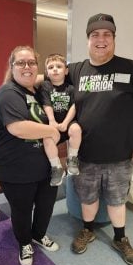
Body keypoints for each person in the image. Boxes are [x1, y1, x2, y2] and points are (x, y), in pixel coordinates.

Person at [66, 13, 133, 265]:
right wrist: (16, 80)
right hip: (86, 155)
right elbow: (45, 79)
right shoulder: (76, 70)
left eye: (107, 34)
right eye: (95, 34)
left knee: (117, 200)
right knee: (87, 198)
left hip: (120, 155)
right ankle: (87, 230)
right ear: (88, 39)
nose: (101, 39)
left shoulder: (131, 68)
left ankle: (120, 238)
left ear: (114, 39)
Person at [0, 46, 61, 265]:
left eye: (31, 62)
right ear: (11, 67)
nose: (27, 67)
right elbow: (18, 128)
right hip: (14, 167)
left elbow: (48, 73)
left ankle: (39, 235)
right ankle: (24, 243)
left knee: (46, 205)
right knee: (22, 210)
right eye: (20, 63)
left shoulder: (36, 90)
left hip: (43, 165)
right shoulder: (8, 93)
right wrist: (51, 130)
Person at [38, 53, 82, 187]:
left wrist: (66, 123)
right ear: (46, 72)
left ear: (66, 70)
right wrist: (52, 121)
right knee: (47, 139)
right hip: (53, 124)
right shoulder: (45, 86)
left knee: (76, 129)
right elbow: (47, 104)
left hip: (67, 123)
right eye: (51, 67)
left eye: (59, 66)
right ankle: (56, 167)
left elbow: (74, 106)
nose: (55, 69)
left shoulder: (71, 88)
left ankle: (72, 158)